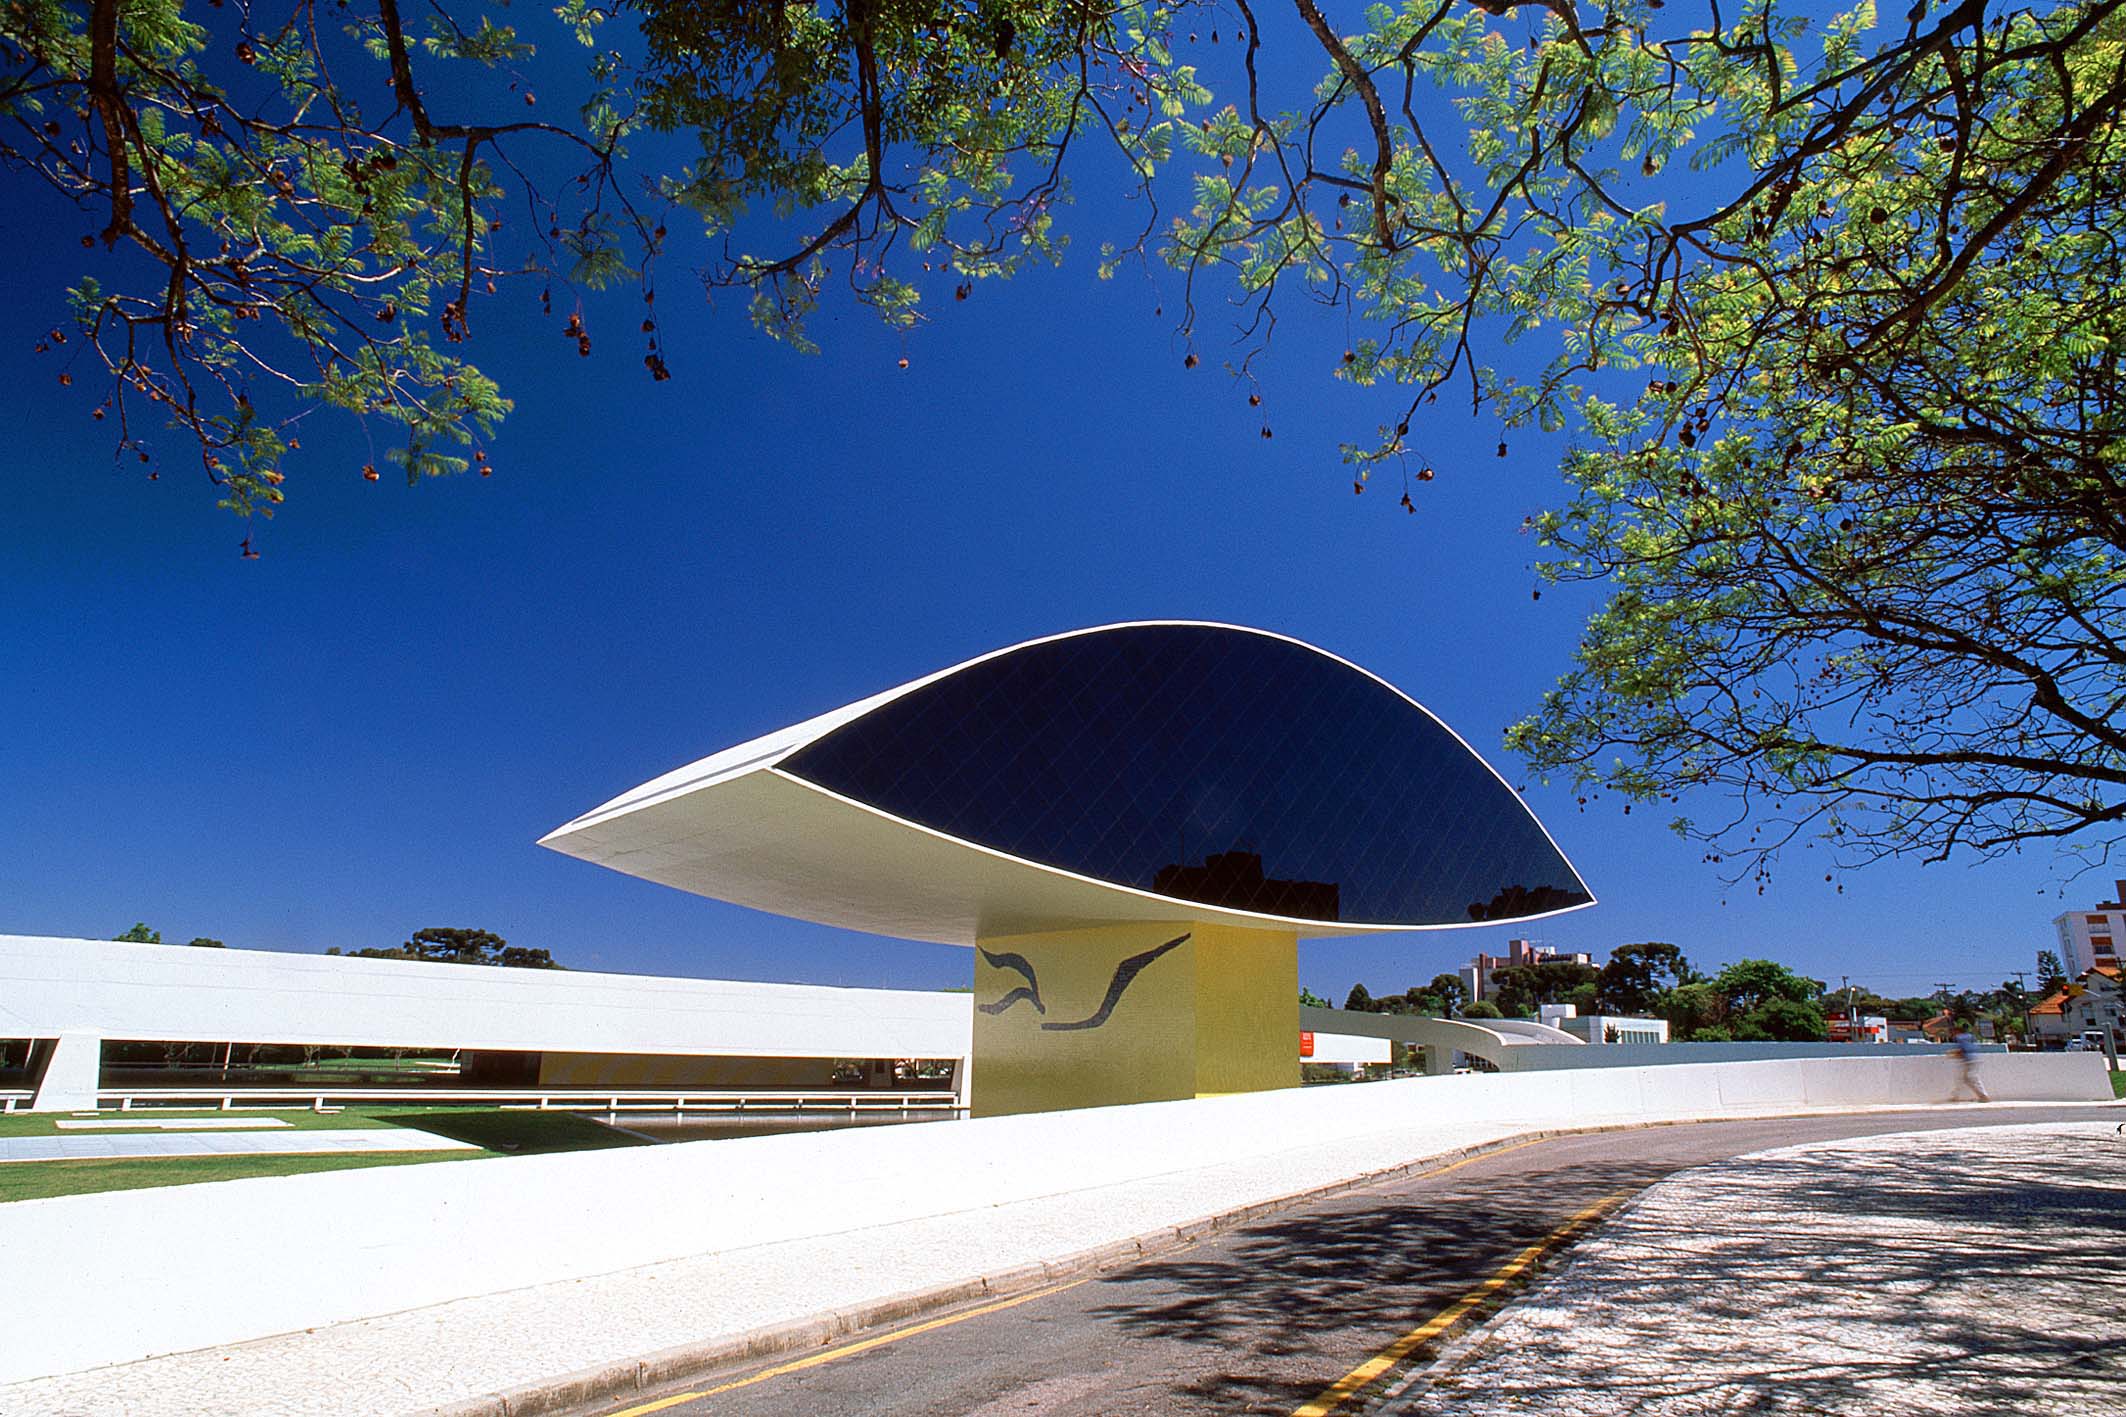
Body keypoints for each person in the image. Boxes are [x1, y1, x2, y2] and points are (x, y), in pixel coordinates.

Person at [1949, 1028, 1991, 1102]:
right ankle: (1956, 1096)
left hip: (1969, 1060)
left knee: (1972, 1078)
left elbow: (1962, 1050)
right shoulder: (1969, 1036)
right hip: (1974, 1058)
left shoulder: (1959, 1038)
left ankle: (1984, 1096)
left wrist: (1952, 1054)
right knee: (1964, 1079)